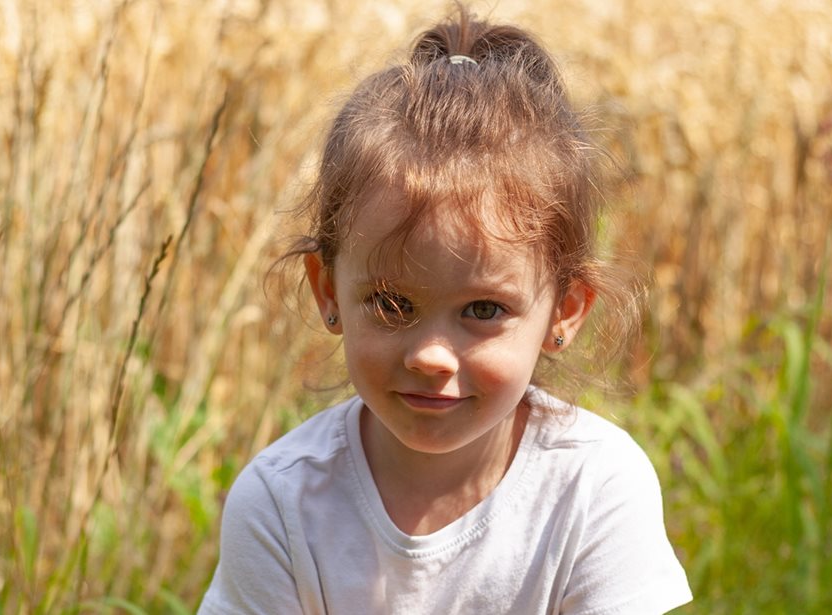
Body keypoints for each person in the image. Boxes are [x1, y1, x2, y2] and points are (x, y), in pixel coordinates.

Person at [199, 6, 692, 614]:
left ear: (564, 311)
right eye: (391, 303)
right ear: (327, 291)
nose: (432, 355)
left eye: (484, 308)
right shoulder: (280, 504)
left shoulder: (595, 487)